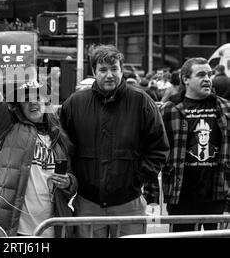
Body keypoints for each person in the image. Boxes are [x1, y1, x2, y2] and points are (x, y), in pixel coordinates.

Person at [59, 45, 169, 238]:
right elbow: (62, 146)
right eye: (103, 70)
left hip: (129, 203)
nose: (109, 75)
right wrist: (72, 178)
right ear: (94, 72)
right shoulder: (74, 104)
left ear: (121, 69)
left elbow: (158, 147)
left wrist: (137, 178)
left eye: (114, 69)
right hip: (88, 202)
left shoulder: (142, 102)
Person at [0, 81, 78, 238]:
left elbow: (71, 179)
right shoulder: (8, 128)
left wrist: (69, 182)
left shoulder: (58, 137)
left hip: (51, 228)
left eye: (38, 97)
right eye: (26, 98)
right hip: (14, 229)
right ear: (19, 106)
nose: (33, 102)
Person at [159, 57, 230, 232]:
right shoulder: (169, 109)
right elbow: (157, 151)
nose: (207, 79)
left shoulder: (226, 108)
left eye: (209, 74)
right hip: (181, 196)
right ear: (185, 79)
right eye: (201, 74)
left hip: (218, 194)